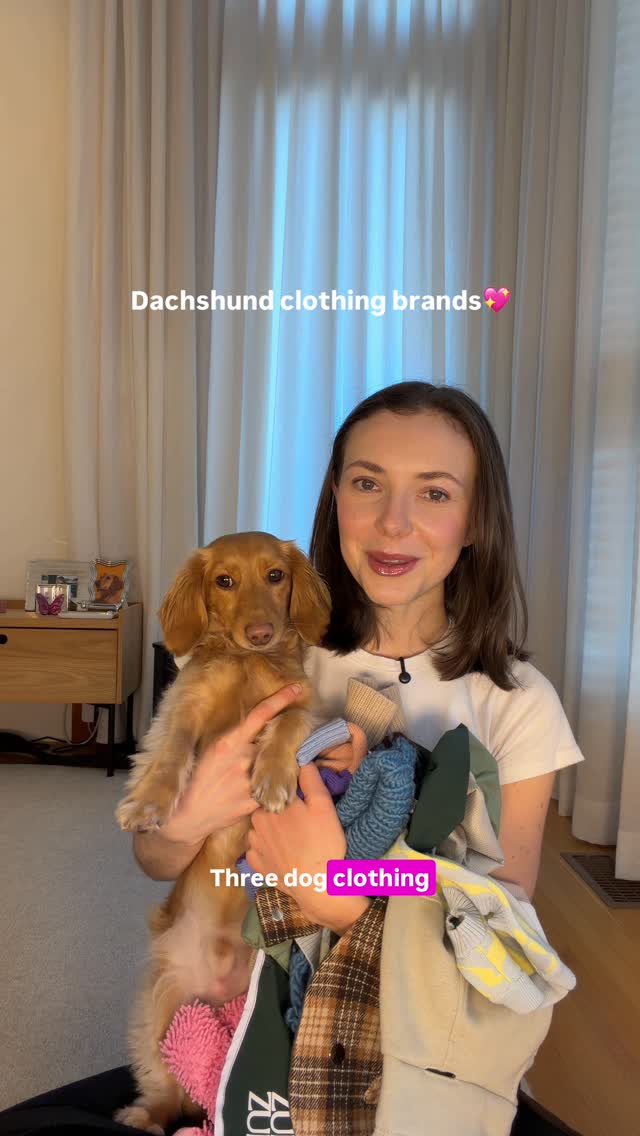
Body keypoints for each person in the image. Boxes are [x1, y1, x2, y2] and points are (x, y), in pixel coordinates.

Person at [0, 382, 584, 1136]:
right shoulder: (273, 657)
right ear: (335, 499)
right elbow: (155, 856)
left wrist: (336, 885)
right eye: (367, 483)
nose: (393, 521)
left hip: (414, 1053)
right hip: (250, 1020)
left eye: (434, 492)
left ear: (476, 520)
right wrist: (191, 815)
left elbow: (502, 918)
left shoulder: (519, 703)